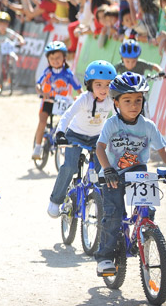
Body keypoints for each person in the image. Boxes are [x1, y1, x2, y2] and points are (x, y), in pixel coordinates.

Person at [94, 72, 166, 277]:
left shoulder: (148, 125)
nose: (134, 105)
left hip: (137, 172)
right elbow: (100, 148)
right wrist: (107, 169)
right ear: (116, 103)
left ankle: (141, 236)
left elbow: (163, 149)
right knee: (114, 215)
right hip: (112, 174)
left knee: (148, 209)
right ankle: (105, 257)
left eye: (138, 100)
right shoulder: (112, 124)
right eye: (127, 100)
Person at [46, 60, 117, 218]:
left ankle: (100, 199)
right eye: (98, 85)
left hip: (97, 138)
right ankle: (55, 201)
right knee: (70, 167)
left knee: (104, 168)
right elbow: (67, 115)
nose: (103, 89)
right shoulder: (84, 99)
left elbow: (118, 119)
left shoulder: (111, 101)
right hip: (75, 135)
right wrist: (60, 133)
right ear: (89, 84)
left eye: (108, 85)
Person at [34, 41, 81, 160]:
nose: (55, 61)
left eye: (58, 58)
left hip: (63, 103)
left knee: (66, 124)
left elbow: (79, 88)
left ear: (64, 58)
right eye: (52, 58)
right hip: (48, 101)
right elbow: (38, 85)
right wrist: (42, 93)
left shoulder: (68, 74)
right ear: (48, 60)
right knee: (42, 121)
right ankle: (37, 148)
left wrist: (82, 98)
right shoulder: (48, 72)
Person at [0, 12, 25, 93]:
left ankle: (13, 76)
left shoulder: (9, 32)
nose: (2, 26)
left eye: (4, 24)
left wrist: (21, 41)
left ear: (7, 24)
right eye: (0, 24)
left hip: (8, 50)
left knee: (14, 58)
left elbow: (18, 37)